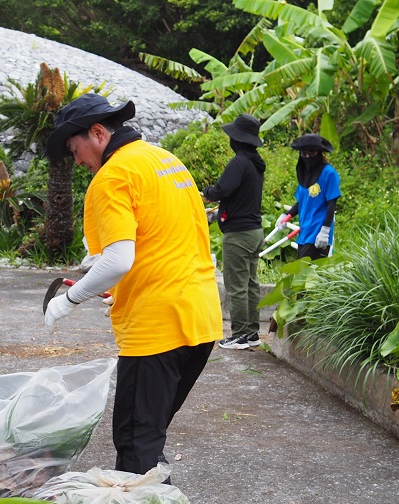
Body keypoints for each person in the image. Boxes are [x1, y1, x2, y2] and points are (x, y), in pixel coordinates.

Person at [43, 93, 222, 477]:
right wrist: (124, 289)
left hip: (156, 331)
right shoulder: (165, 160)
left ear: (97, 133)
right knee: (150, 437)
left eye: (75, 150)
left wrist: (70, 299)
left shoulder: (112, 176)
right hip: (201, 319)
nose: (77, 161)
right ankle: (159, 494)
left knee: (134, 443)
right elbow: (166, 240)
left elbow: (118, 259)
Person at [201, 113, 266, 350]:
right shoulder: (256, 163)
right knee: (250, 284)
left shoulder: (239, 162)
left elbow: (221, 190)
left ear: (237, 139)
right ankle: (252, 333)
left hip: (239, 234)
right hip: (254, 231)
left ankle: (239, 334)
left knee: (237, 286)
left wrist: (207, 192)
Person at [275, 134, 341, 259]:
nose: (307, 157)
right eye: (304, 153)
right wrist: (286, 215)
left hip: (318, 235)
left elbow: (332, 204)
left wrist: (325, 231)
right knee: (302, 269)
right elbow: (302, 202)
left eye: (311, 153)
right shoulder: (306, 175)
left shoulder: (328, 173)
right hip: (305, 232)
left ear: (319, 153)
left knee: (309, 270)